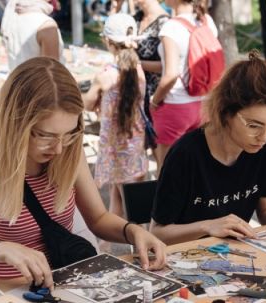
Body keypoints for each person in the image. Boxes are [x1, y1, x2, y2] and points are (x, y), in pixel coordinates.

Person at [0, 57, 166, 287]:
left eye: (68, 133)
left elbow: (98, 218)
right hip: (3, 298)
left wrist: (132, 232)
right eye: (46, 136)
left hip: (65, 288)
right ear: (14, 123)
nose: (58, 148)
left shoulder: (67, 148)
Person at [150, 51, 266, 246]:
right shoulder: (187, 154)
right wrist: (207, 227)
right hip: (184, 256)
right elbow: (157, 232)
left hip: (234, 254)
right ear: (225, 113)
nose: (265, 137)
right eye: (254, 125)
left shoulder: (265, 149)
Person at [83, 14, 148, 218]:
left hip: (114, 146)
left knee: (127, 201)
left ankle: (134, 242)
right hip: (134, 143)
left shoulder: (105, 75)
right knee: (120, 196)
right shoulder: (139, 71)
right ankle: (109, 243)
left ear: (108, 41)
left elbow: (86, 103)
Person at [149, 0, 217, 174]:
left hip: (175, 105)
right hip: (204, 104)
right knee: (197, 164)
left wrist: (155, 101)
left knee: (166, 169)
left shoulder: (171, 27)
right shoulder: (206, 21)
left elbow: (170, 74)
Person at [134, 0, 169, 150]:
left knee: (157, 146)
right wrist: (115, 7)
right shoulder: (136, 17)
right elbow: (112, 38)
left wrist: (136, 63)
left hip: (156, 94)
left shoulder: (165, 23)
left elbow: (167, 66)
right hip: (137, 90)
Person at [1, 0, 63, 70]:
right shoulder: (46, 25)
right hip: (36, 80)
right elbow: (50, 73)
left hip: (16, 79)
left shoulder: (12, 18)